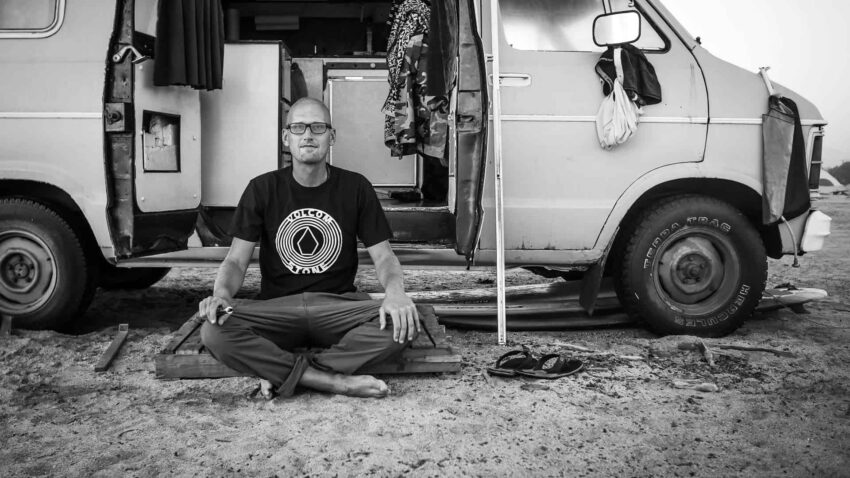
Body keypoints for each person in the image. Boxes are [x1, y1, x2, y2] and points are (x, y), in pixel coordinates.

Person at [199, 97, 421, 399]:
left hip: (337, 306)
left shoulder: (356, 187)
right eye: (298, 127)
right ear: (285, 137)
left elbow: (384, 257)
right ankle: (333, 381)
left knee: (403, 318)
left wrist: (395, 293)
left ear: (332, 136)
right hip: (277, 308)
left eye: (318, 127)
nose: (307, 135)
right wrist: (221, 296)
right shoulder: (262, 188)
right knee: (214, 330)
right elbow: (236, 261)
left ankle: (286, 373)